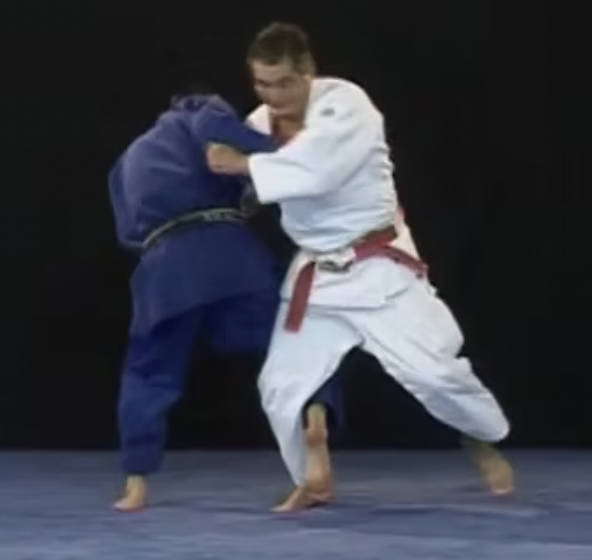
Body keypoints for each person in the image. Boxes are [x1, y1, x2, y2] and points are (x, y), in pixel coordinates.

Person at [206, 22, 515, 512]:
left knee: (437, 375)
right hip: (317, 277)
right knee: (280, 387)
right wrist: (225, 177)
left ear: (308, 72)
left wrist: (242, 164)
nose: (274, 96)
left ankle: (480, 437)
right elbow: (251, 188)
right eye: (263, 84)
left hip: (378, 267)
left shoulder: (347, 105)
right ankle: (314, 479)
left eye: (284, 83)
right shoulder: (258, 124)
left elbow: (319, 170)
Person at [107, 85, 343, 512]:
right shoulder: (196, 110)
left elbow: (128, 232)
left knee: (148, 370)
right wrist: (283, 154)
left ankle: (136, 483)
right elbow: (222, 131)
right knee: (295, 344)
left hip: (163, 262)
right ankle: (315, 416)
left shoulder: (124, 164)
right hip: (229, 250)